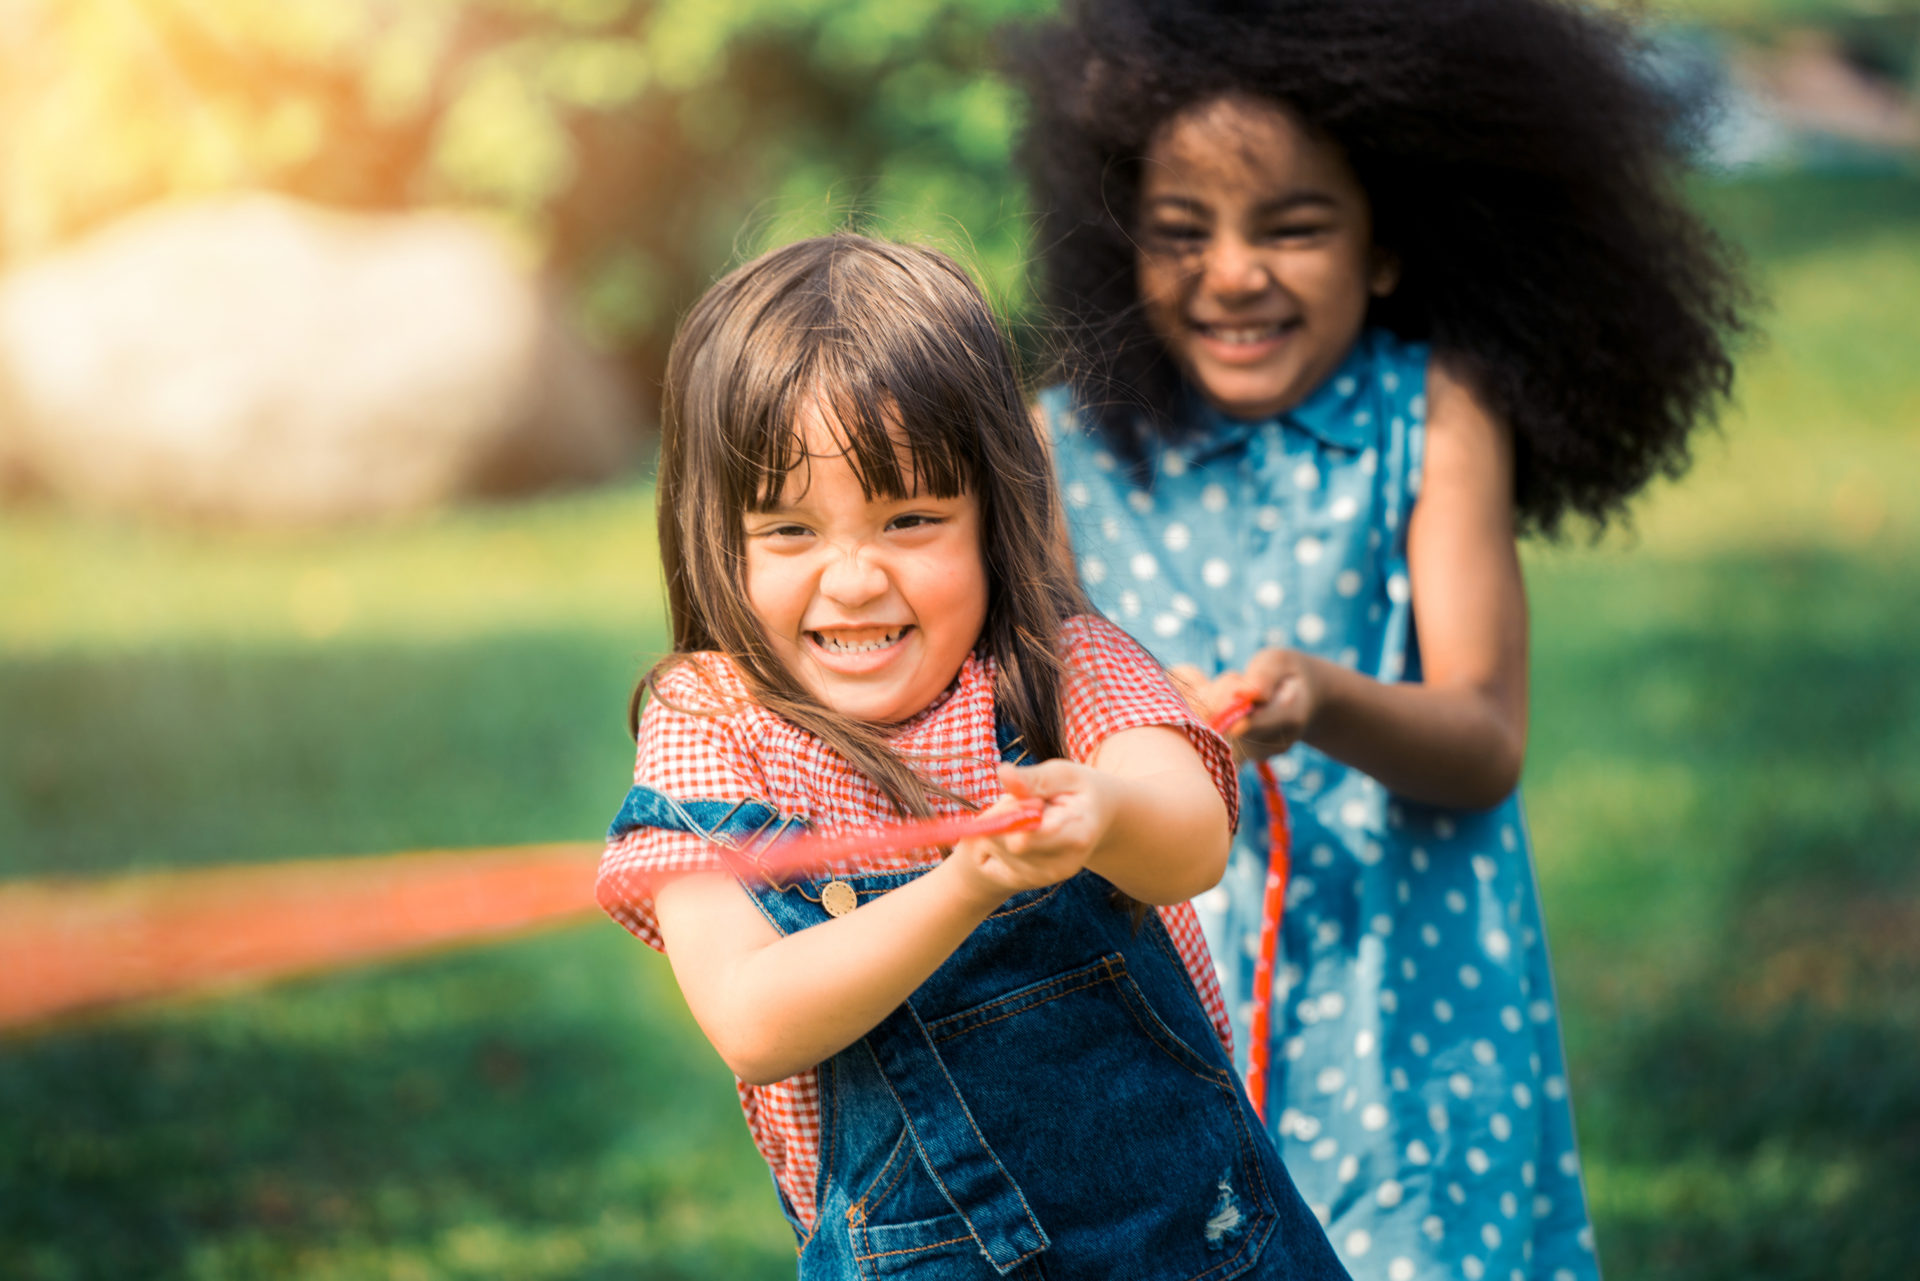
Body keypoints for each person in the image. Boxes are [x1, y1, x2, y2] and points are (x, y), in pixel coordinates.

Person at [1009, 2, 1750, 1278]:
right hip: (1169, 984)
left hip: (1406, 1004)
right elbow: (1022, 715)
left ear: (1391, 243)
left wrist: (1326, 702)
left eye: (1292, 227)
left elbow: (1484, 739)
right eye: (1181, 234)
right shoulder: (1063, 449)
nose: (1233, 272)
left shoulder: (1436, 415)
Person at [597, 233, 1352, 1280]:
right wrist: (964, 888)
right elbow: (754, 1019)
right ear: (712, 533)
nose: (853, 579)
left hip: (1205, 1241)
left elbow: (1191, 844)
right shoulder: (713, 725)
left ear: (995, 514)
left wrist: (1104, 811)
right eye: (789, 532)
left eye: (910, 518)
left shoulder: (1060, 665)